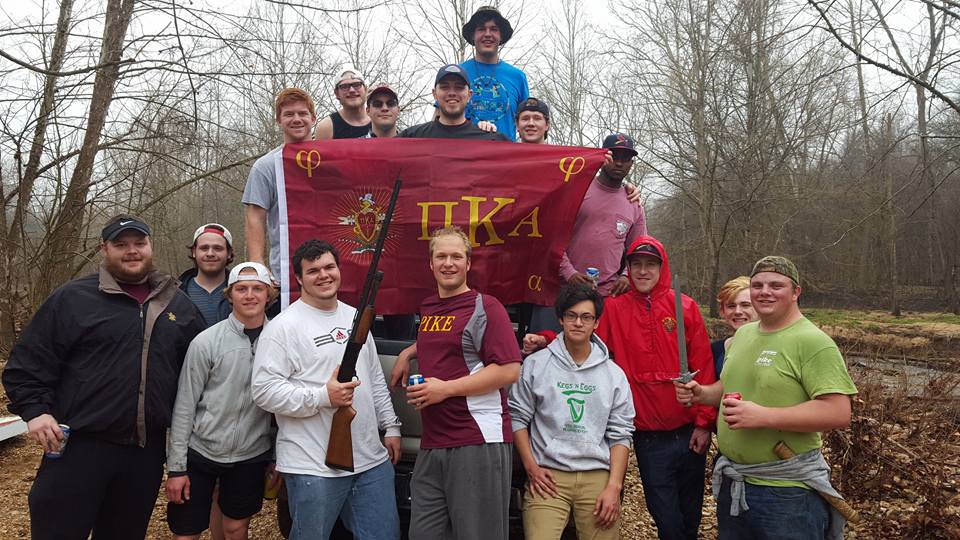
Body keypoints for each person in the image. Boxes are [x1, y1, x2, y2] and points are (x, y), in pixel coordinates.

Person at [2, 214, 205, 540]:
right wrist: (36, 411)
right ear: (104, 249)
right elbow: (26, 364)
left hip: (144, 452)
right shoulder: (73, 299)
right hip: (79, 447)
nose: (132, 251)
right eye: (121, 245)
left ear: (150, 246)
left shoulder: (177, 304)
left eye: (139, 243)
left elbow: (200, 374)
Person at [675, 256, 858, 540]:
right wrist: (701, 393)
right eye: (758, 284)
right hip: (736, 483)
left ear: (796, 292)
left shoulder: (812, 342)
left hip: (787, 491)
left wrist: (763, 416)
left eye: (776, 285)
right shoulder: (745, 335)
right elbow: (726, 388)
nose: (765, 291)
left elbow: (838, 412)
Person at [251, 240, 402, 540]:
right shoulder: (283, 327)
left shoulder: (356, 318)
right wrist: (323, 397)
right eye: (313, 271)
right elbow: (264, 391)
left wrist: (392, 427)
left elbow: (373, 377)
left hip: (371, 461)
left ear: (338, 269)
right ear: (298, 278)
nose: (323, 275)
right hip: (312, 466)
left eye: (329, 267)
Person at [390, 226, 521, 540]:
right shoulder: (430, 308)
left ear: (468, 263)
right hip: (434, 443)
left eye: (456, 256)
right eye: (441, 256)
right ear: (431, 264)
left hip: (476, 439)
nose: (449, 263)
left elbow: (509, 370)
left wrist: (444, 389)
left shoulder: (486, 307)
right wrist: (408, 352)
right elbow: (446, 341)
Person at [509, 284, 635, 540]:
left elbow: (621, 434)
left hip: (597, 475)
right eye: (571, 315)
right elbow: (517, 417)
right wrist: (531, 467)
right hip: (548, 475)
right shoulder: (536, 365)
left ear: (596, 322)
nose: (578, 323)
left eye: (586, 317)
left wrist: (614, 486)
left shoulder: (614, 375)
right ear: (561, 319)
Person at [166, 262, 279, 540]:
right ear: (230, 295)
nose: (250, 295)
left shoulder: (281, 341)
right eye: (241, 289)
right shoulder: (206, 342)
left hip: (251, 454)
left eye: (257, 289)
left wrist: (277, 456)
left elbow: (283, 406)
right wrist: (176, 467)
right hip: (201, 452)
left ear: (269, 295)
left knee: (235, 527)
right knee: (187, 529)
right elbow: (184, 406)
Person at [528, 133, 647, 333]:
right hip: (561, 291)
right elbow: (550, 237)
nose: (619, 163)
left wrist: (627, 276)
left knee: (601, 358)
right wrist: (569, 273)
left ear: (631, 163)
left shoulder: (633, 203)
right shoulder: (576, 189)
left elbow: (639, 249)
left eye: (625, 158)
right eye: (614, 155)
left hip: (607, 297)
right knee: (547, 351)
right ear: (602, 157)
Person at [243, 87, 316, 281]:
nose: (297, 119)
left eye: (303, 113)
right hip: (285, 272)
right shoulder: (265, 166)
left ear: (313, 118)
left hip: (330, 271)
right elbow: (255, 217)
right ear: (279, 121)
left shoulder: (332, 161)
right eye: (289, 114)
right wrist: (258, 264)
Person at [459, 5, 530, 140]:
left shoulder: (517, 77)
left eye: (493, 29)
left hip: (506, 157)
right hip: (464, 156)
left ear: (500, 36)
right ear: (473, 36)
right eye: (481, 29)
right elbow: (440, 118)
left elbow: (527, 124)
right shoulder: (457, 74)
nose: (487, 34)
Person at [399, 64, 510, 141]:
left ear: (469, 95)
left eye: (459, 87)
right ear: (434, 94)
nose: (452, 93)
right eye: (445, 87)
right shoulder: (412, 137)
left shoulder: (490, 139)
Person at [179, 223, 235, 326]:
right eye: (204, 248)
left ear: (229, 253)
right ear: (194, 252)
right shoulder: (176, 293)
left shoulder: (242, 291)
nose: (210, 254)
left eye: (218, 248)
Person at [712, 276, 757, 376]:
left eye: (745, 305)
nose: (737, 312)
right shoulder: (715, 351)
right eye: (731, 306)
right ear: (722, 311)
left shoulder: (776, 346)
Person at [315, 67, 371, 140]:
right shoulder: (327, 127)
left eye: (357, 84)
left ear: (366, 89)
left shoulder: (379, 119)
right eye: (344, 86)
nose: (352, 90)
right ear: (336, 93)